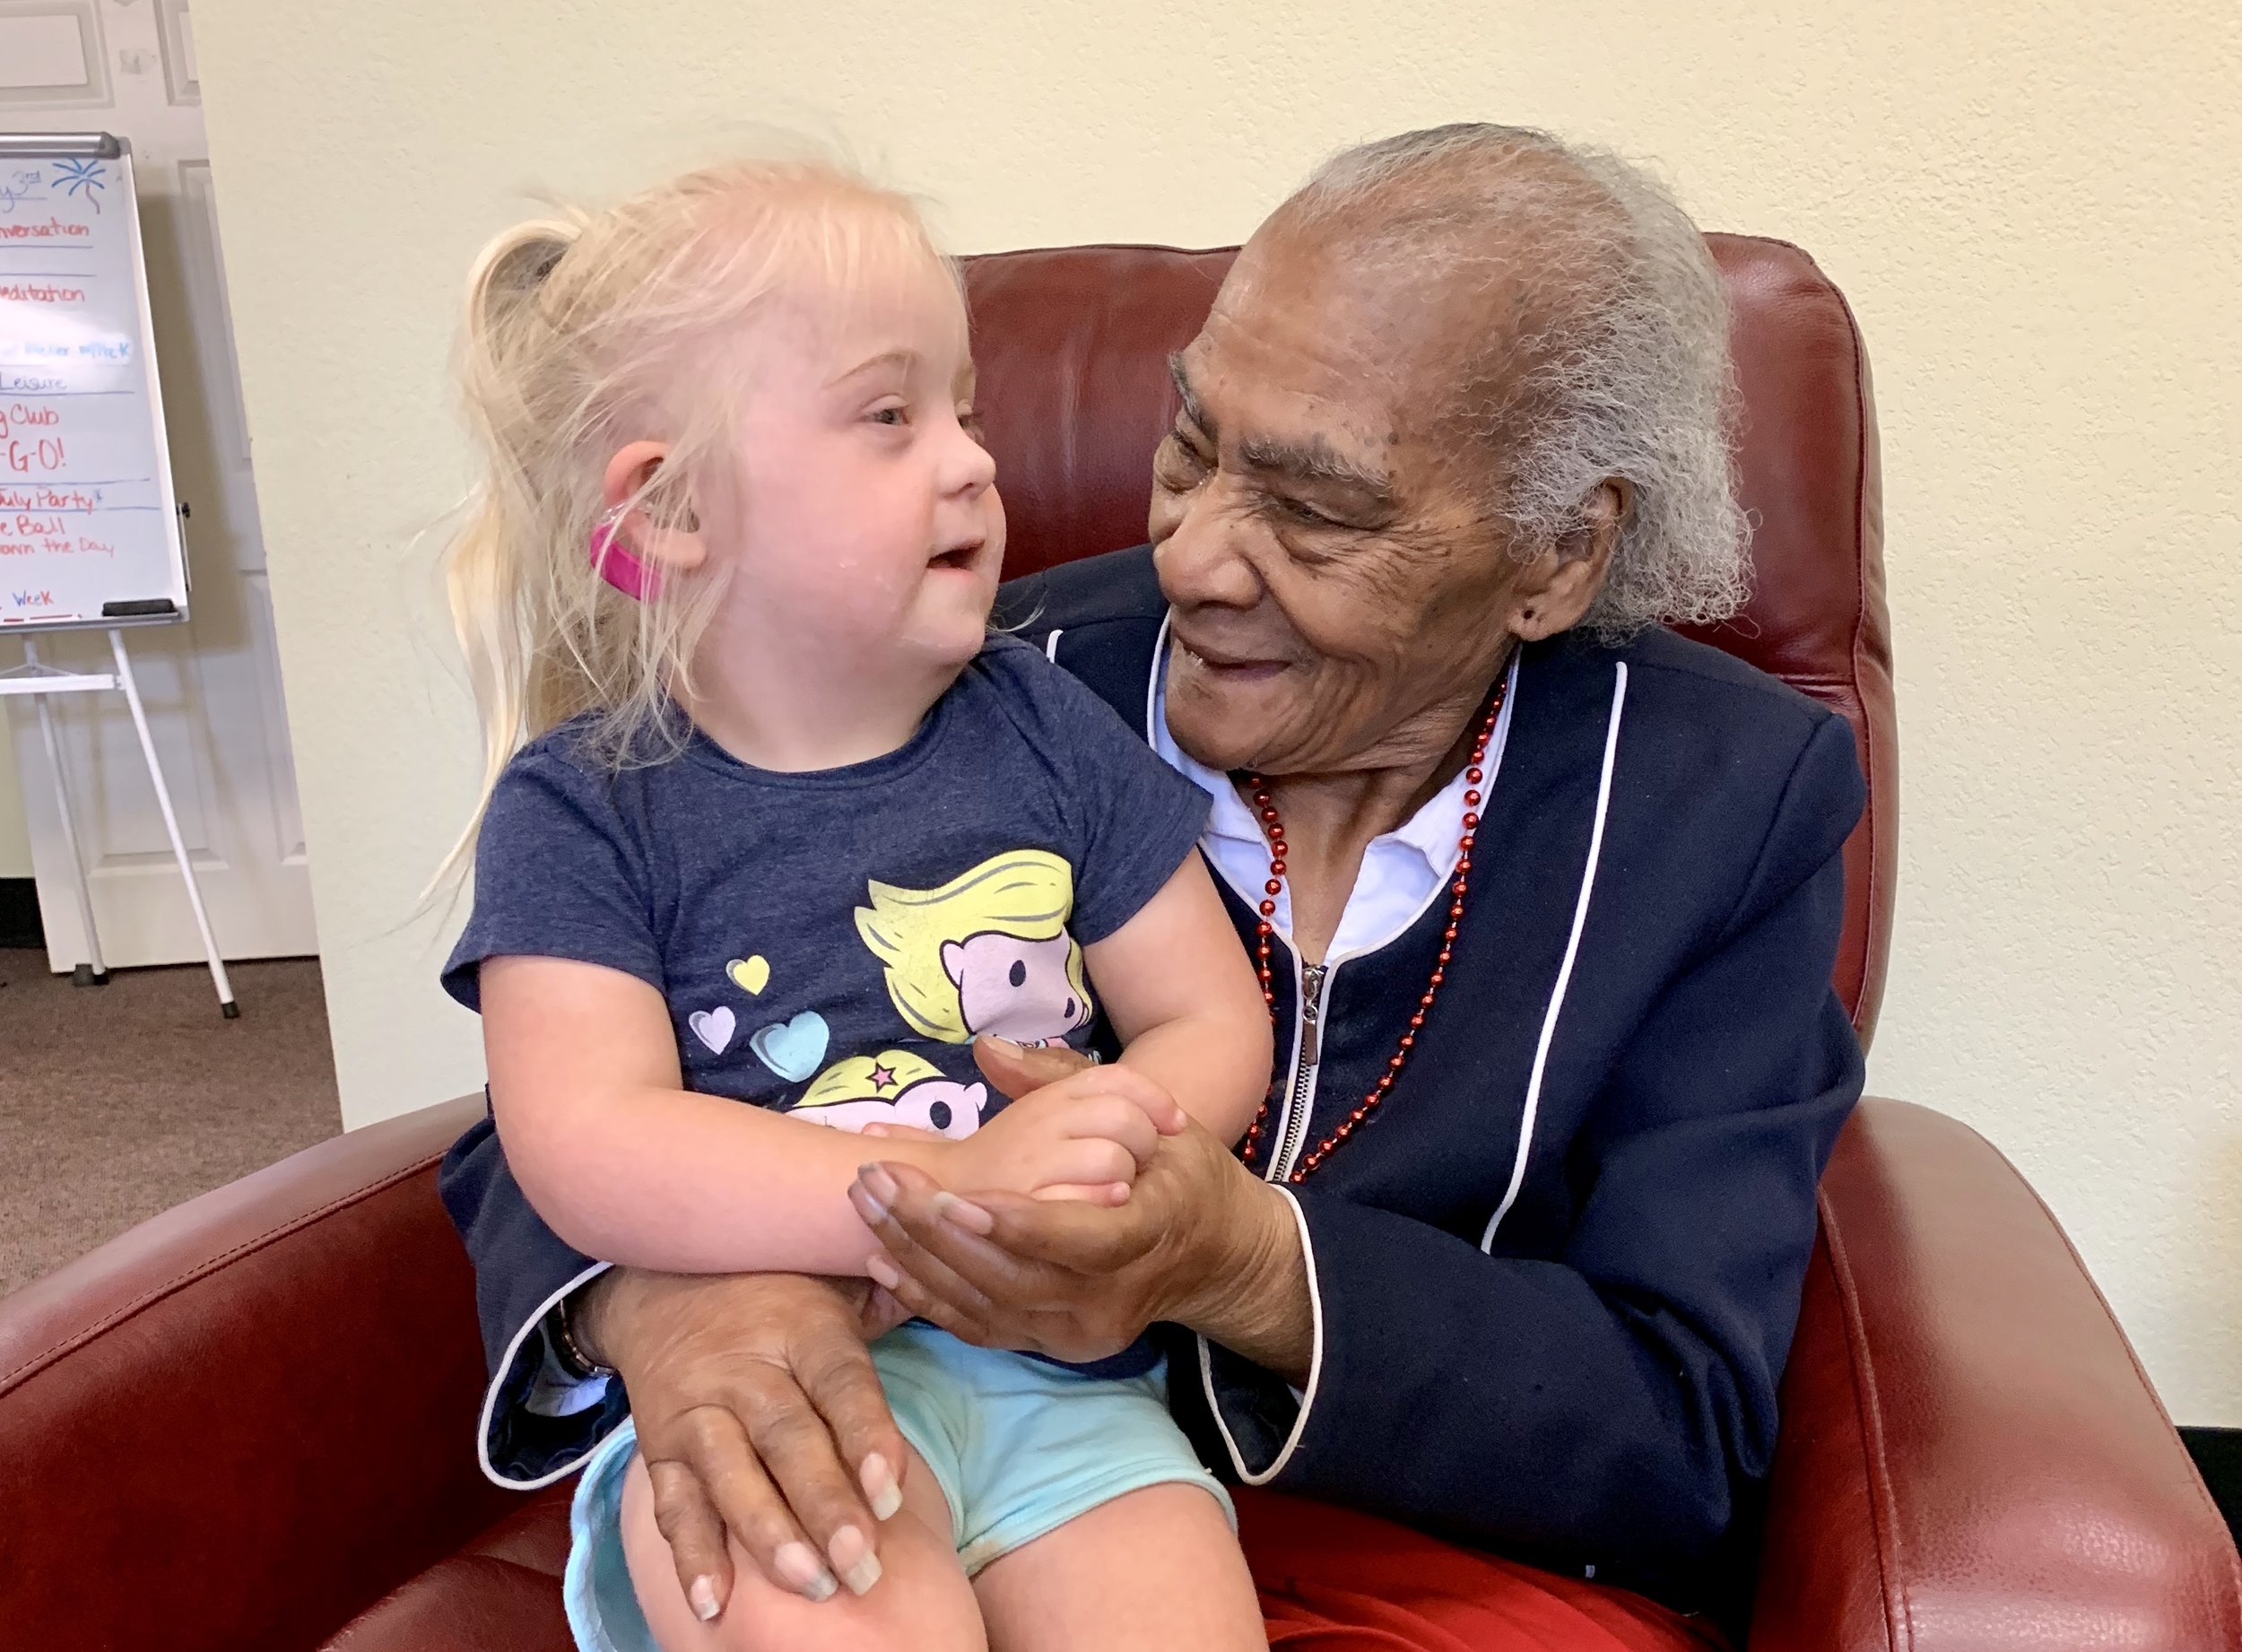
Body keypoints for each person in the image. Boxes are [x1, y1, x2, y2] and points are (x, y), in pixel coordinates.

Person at [441, 124, 1868, 1652]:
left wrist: (1248, 1266)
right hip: (885, 1445)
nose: (1191, 557)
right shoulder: (998, 673)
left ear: (1556, 555)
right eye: (1190, 444)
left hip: (1396, 1535)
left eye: (1314, 507)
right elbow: (574, 1090)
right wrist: (659, 1300)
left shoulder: (1719, 802)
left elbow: (1683, 1418)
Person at [432, 157, 1274, 1652]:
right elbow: (584, 1138)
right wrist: (933, 1194)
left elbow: (1210, 1016)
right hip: (764, 1412)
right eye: (891, 416)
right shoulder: (582, 804)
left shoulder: (1045, 724)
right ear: (673, 508)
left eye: (966, 408)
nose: (971, 462)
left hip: (1069, 1394)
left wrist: (1109, 1134)